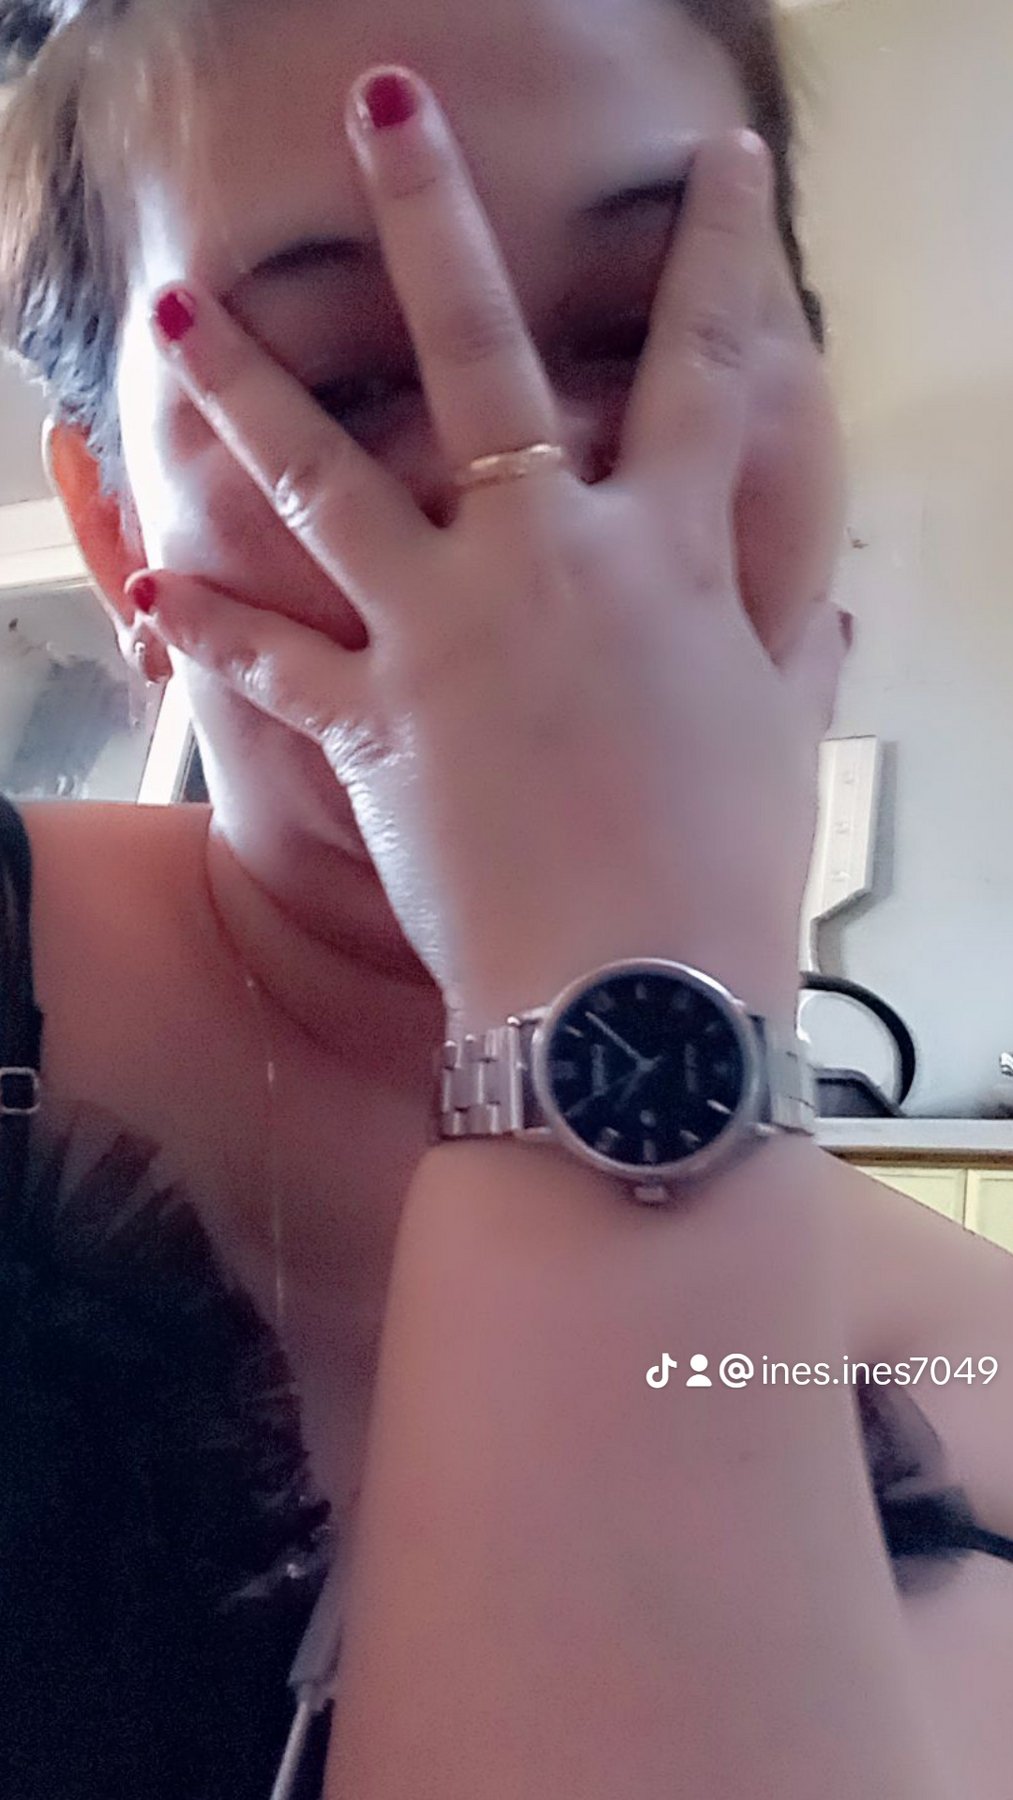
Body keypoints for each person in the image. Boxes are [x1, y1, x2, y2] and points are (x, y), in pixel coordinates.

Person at [0, 0, 1011, 1796]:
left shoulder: (977, 1378)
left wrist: (608, 960)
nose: (527, 481)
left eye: (639, 331)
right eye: (340, 381)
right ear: (113, 528)